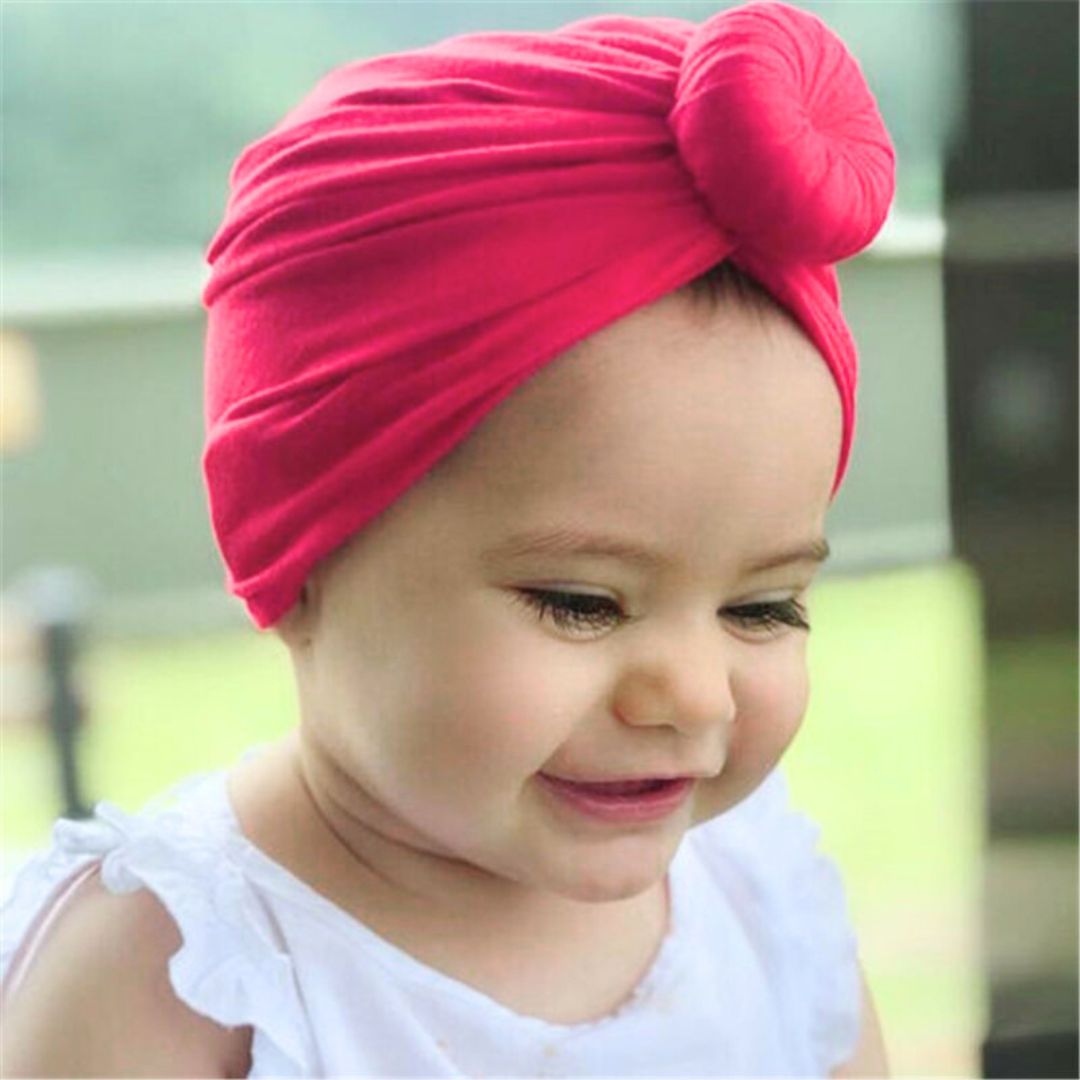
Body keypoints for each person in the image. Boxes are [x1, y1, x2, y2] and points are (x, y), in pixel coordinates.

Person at [1, 3, 895, 1075]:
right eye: (582, 602)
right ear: (304, 562)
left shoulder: (766, 910)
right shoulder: (189, 980)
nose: (696, 695)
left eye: (763, 607)